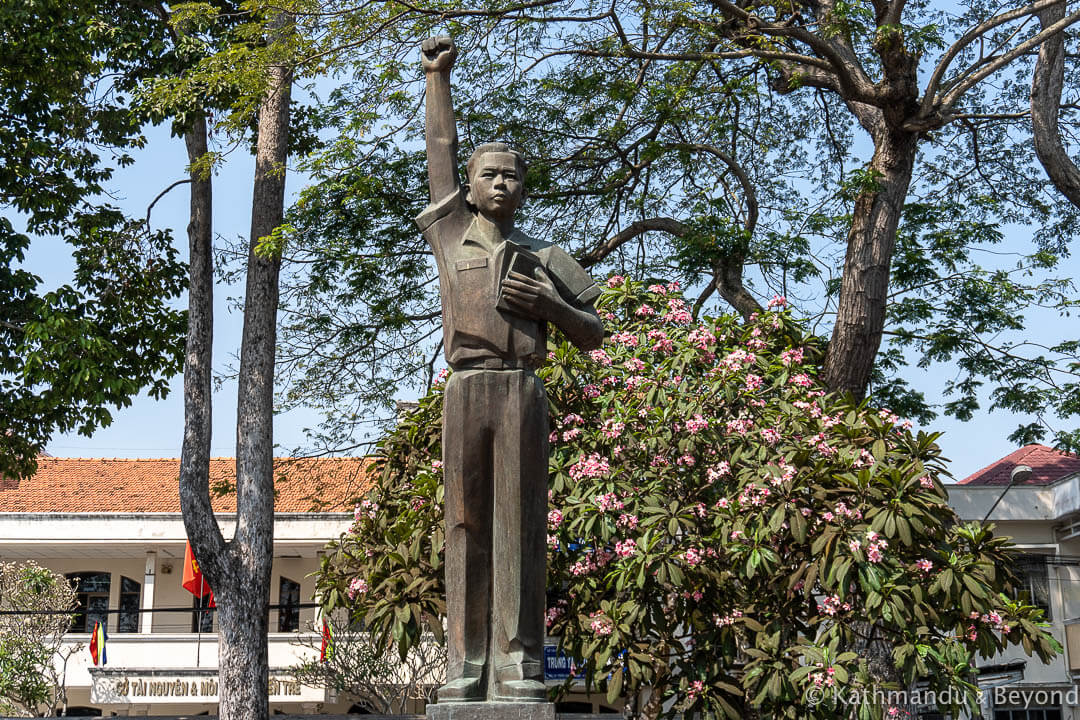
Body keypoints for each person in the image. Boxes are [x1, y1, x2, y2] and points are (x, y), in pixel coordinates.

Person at [418, 35, 605, 703]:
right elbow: (438, 154)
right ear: (470, 187)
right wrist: (437, 78)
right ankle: (465, 669)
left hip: (520, 390)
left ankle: (518, 668)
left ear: (524, 188)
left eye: (512, 176)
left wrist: (551, 305)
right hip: (465, 389)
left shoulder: (544, 253)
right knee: (466, 526)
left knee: (520, 527)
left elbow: (596, 333)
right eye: (490, 174)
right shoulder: (450, 236)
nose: (501, 184)